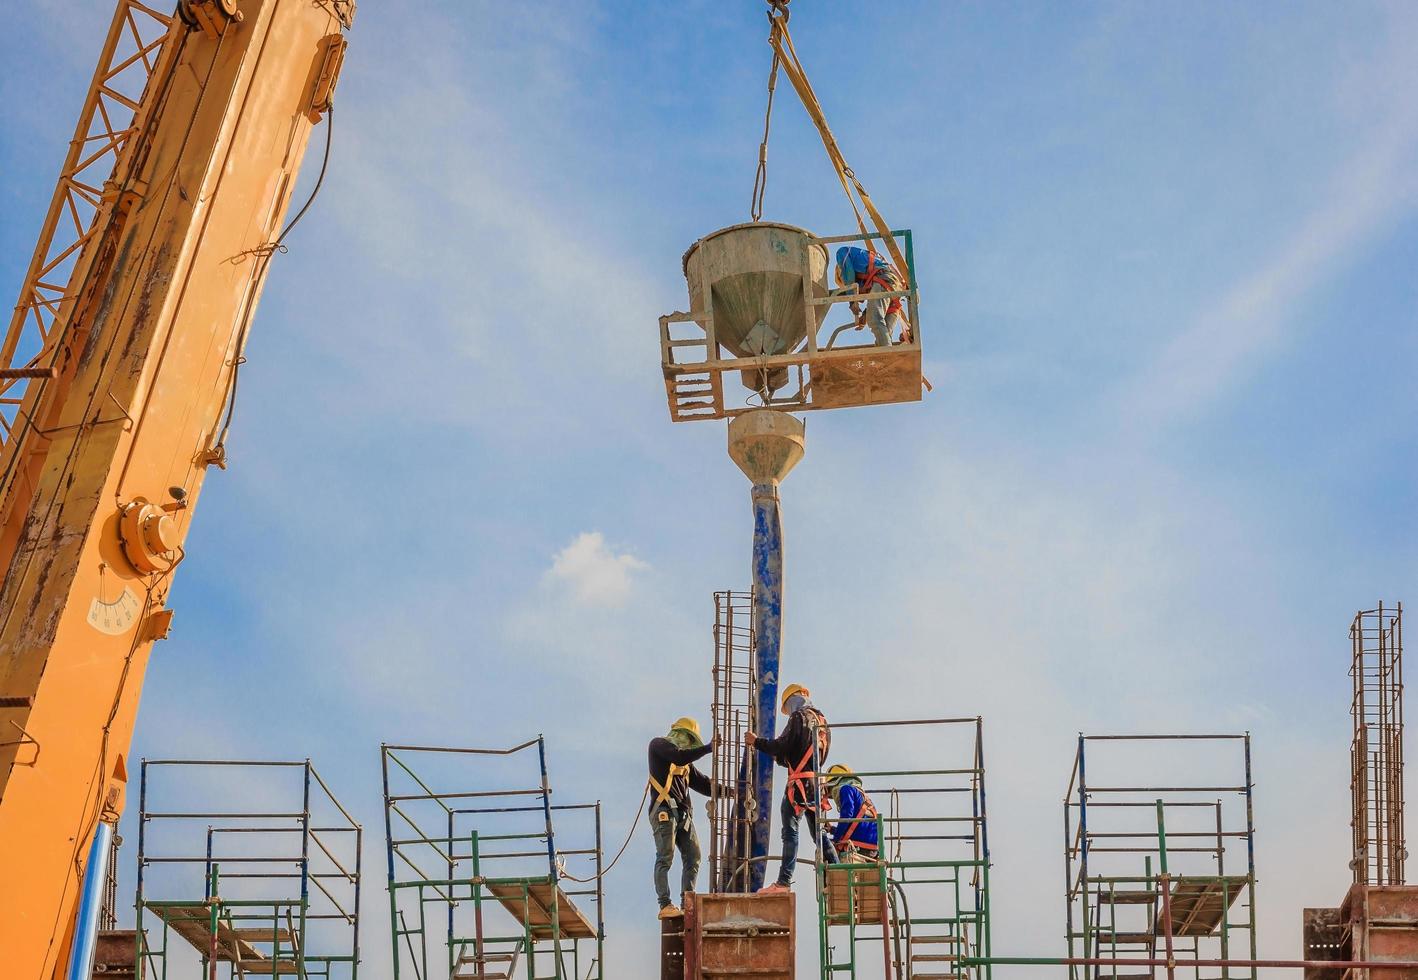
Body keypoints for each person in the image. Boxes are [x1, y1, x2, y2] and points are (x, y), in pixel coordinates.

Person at [745, 682, 838, 892]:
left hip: (798, 785)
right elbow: (798, 752)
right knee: (818, 834)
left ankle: (784, 882)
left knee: (790, 832)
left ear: (792, 700)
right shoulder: (823, 723)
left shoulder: (799, 717)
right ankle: (839, 871)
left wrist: (756, 741)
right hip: (815, 785)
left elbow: (782, 745)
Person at [647, 717, 718, 918]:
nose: (688, 744)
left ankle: (687, 904)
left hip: (683, 815)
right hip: (664, 811)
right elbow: (677, 757)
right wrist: (708, 748)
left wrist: (733, 792)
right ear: (679, 734)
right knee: (665, 856)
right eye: (688, 739)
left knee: (693, 856)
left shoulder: (685, 766)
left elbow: (704, 785)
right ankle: (665, 904)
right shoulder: (659, 746)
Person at [833, 245, 907, 347]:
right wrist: (865, 315)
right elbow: (877, 297)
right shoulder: (865, 266)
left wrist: (852, 300)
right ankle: (886, 359)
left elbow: (849, 278)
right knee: (883, 338)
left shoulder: (842, 253)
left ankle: (887, 356)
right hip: (894, 289)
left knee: (874, 320)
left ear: (840, 272)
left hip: (884, 280)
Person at [825, 764, 880, 858]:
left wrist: (836, 839)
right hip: (872, 848)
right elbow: (856, 825)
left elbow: (847, 815)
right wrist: (833, 830)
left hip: (859, 846)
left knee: (825, 848)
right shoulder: (862, 796)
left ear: (835, 783)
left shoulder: (846, 789)